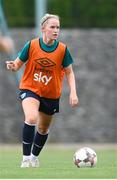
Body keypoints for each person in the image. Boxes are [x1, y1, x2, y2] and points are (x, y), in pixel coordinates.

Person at [6, 13, 79, 168]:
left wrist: (73, 92)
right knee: (31, 118)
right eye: (52, 27)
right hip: (30, 88)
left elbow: (69, 72)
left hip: (51, 94)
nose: (56, 30)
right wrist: (12, 65)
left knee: (43, 128)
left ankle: (33, 157)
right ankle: (25, 159)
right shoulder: (31, 45)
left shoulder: (62, 50)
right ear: (43, 28)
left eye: (58, 27)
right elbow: (18, 65)